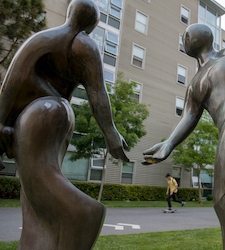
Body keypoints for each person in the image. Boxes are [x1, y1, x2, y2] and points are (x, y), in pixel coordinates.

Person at [0, 0, 129, 249]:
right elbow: (97, 93)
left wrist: (3, 121)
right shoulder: (83, 43)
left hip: (36, 120)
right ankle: (80, 214)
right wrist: (111, 134)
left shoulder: (41, 39)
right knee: (49, 201)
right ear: (91, 25)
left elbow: (10, 82)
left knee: (36, 199)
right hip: (45, 115)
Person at [143, 23, 225, 250]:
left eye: (186, 35)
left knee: (224, 198)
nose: (185, 39)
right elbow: (189, 116)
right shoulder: (194, 84)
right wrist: (169, 143)